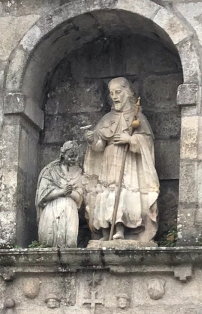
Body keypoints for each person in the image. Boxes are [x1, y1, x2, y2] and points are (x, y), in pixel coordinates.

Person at [83, 78, 160, 243]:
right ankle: (105, 231)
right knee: (107, 191)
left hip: (129, 162)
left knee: (123, 190)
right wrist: (92, 140)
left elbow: (147, 142)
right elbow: (98, 147)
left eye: (118, 92)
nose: (114, 97)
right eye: (111, 93)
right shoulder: (107, 118)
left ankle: (120, 229)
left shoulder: (137, 116)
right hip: (109, 160)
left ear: (128, 92)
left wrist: (130, 139)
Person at [35, 140, 84, 247]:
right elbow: (42, 195)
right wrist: (61, 192)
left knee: (70, 241)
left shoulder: (78, 172)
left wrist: (70, 193)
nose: (73, 159)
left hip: (70, 208)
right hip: (52, 207)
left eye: (75, 156)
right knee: (49, 241)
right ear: (63, 154)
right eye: (70, 155)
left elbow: (80, 197)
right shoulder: (50, 171)